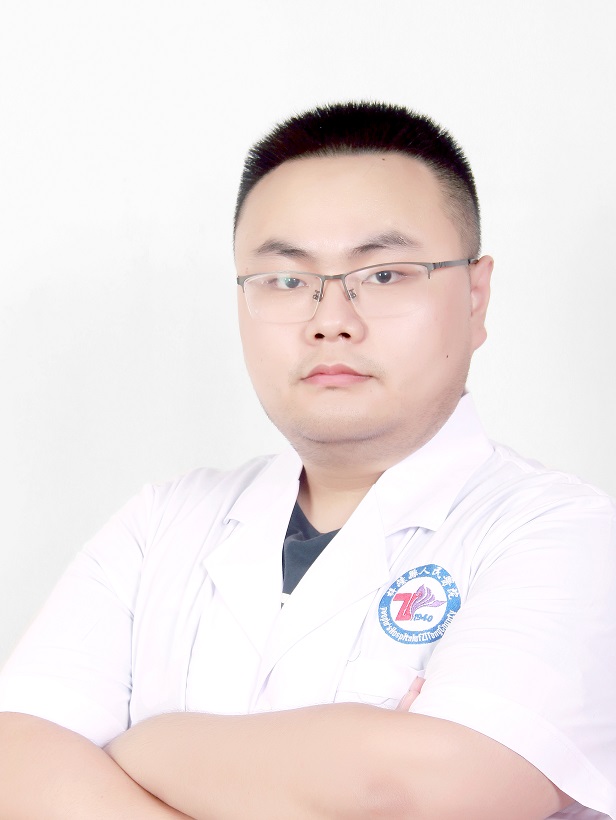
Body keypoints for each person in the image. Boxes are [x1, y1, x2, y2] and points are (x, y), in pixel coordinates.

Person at [0, 101, 614, 820]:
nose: (331, 320)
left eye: (384, 275)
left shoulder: (563, 532)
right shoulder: (160, 524)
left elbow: (420, 793)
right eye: (287, 281)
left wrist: (144, 746)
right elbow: (17, 759)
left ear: (475, 296)